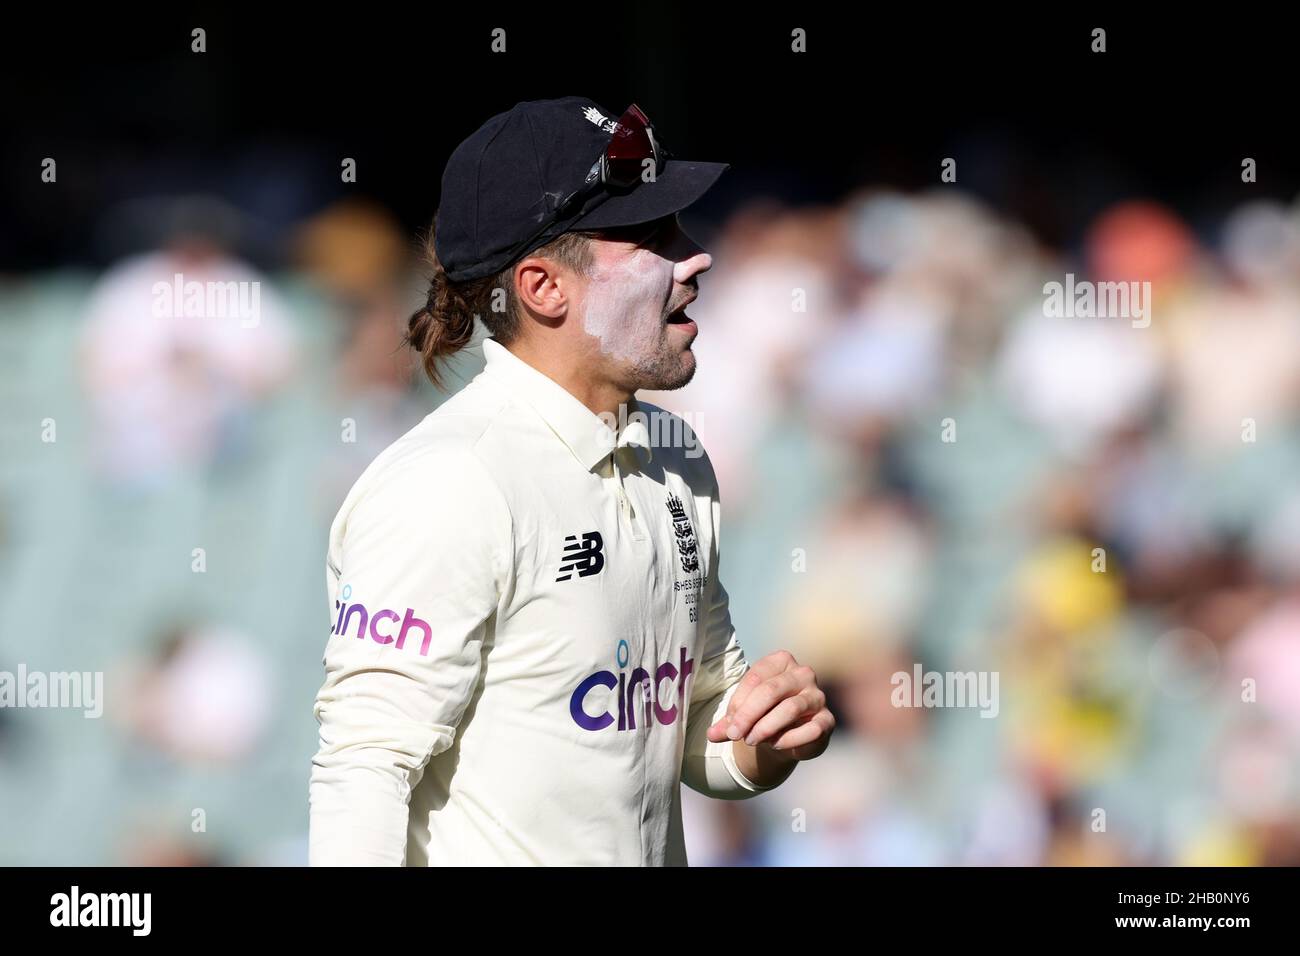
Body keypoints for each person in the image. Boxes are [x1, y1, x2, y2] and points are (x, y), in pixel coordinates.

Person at [309, 96, 834, 865]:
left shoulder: (676, 455)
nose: (697, 257)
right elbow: (363, 770)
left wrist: (765, 741)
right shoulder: (451, 483)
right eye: (652, 235)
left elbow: (695, 734)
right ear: (543, 288)